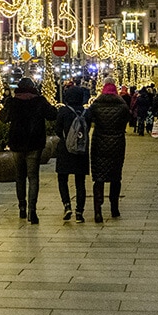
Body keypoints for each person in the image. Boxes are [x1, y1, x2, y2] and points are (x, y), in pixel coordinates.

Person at [0, 77, 58, 224]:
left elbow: (3, 118)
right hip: (34, 144)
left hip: (17, 143)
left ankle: (22, 208)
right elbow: (53, 115)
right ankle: (33, 210)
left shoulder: (13, 102)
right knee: (33, 177)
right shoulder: (39, 101)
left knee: (20, 177)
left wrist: (6, 103)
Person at [85, 78, 130, 222]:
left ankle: (98, 212)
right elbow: (127, 120)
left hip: (99, 143)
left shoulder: (96, 104)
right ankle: (114, 208)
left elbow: (88, 120)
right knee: (116, 177)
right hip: (117, 144)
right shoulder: (122, 105)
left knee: (99, 177)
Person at [55, 85, 90, 222]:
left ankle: (67, 205)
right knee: (80, 182)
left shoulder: (63, 111)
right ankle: (79, 212)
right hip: (81, 150)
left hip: (65, 149)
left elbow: (58, 129)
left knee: (62, 179)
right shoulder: (86, 112)